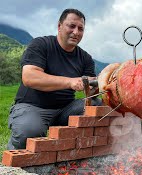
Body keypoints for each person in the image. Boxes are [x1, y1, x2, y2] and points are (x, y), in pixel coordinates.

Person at [7, 8, 101, 150]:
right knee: (30, 131)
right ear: (59, 26)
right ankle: (15, 151)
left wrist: (96, 86)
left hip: (65, 110)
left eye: (80, 29)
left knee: (96, 105)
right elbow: (29, 77)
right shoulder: (40, 45)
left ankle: (72, 154)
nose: (76, 32)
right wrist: (70, 82)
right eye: (72, 26)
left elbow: (91, 95)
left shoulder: (86, 58)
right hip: (32, 107)